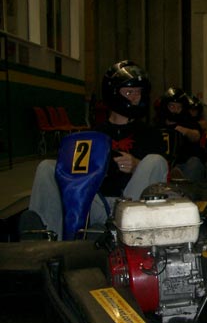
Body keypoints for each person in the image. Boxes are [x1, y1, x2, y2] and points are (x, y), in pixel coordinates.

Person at [20, 60, 168, 240]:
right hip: (93, 202)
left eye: (139, 92)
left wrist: (138, 166)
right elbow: (73, 174)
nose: (136, 98)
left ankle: (117, 233)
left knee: (155, 160)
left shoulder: (151, 134)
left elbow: (161, 177)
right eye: (129, 92)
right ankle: (49, 240)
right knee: (47, 167)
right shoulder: (92, 135)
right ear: (113, 94)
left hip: (128, 205)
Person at [155, 87, 207, 182]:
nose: (175, 110)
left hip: (183, 164)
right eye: (172, 107)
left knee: (194, 162)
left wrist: (184, 131)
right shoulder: (157, 125)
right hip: (163, 163)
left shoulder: (188, 122)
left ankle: (184, 186)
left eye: (179, 107)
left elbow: (196, 136)